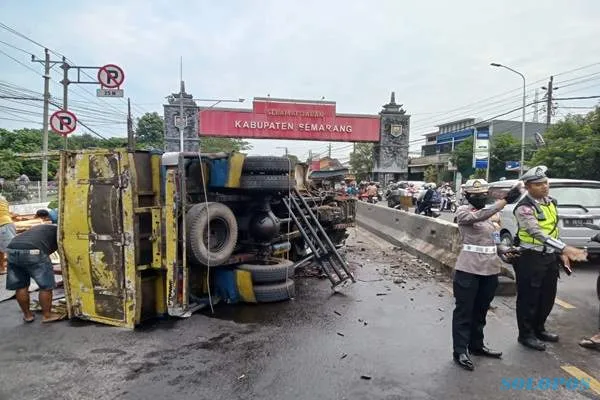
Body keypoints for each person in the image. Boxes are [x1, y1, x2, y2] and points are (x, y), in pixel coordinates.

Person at [513, 165, 588, 351]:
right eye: (538, 184)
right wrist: (566, 248)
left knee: (547, 296)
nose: (544, 186)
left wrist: (561, 252)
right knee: (529, 298)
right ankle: (526, 334)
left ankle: (539, 328)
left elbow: (554, 230)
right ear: (528, 186)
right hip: (531, 257)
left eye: (545, 183)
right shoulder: (524, 208)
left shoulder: (551, 202)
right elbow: (536, 232)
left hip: (549, 257)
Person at [451, 179, 523, 371]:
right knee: (464, 312)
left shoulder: (494, 215)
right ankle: (460, 351)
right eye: (476, 195)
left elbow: (494, 237)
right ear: (467, 196)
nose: (481, 198)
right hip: (469, 269)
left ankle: (476, 346)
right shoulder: (463, 212)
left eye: (484, 194)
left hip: (490, 270)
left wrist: (504, 250)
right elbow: (481, 216)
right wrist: (505, 200)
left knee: (481, 311)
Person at [5, 223, 62, 323]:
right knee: (46, 286)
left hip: (12, 250)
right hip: (33, 251)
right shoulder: (61, 232)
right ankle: (47, 315)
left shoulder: (43, 228)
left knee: (21, 286)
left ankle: (28, 315)